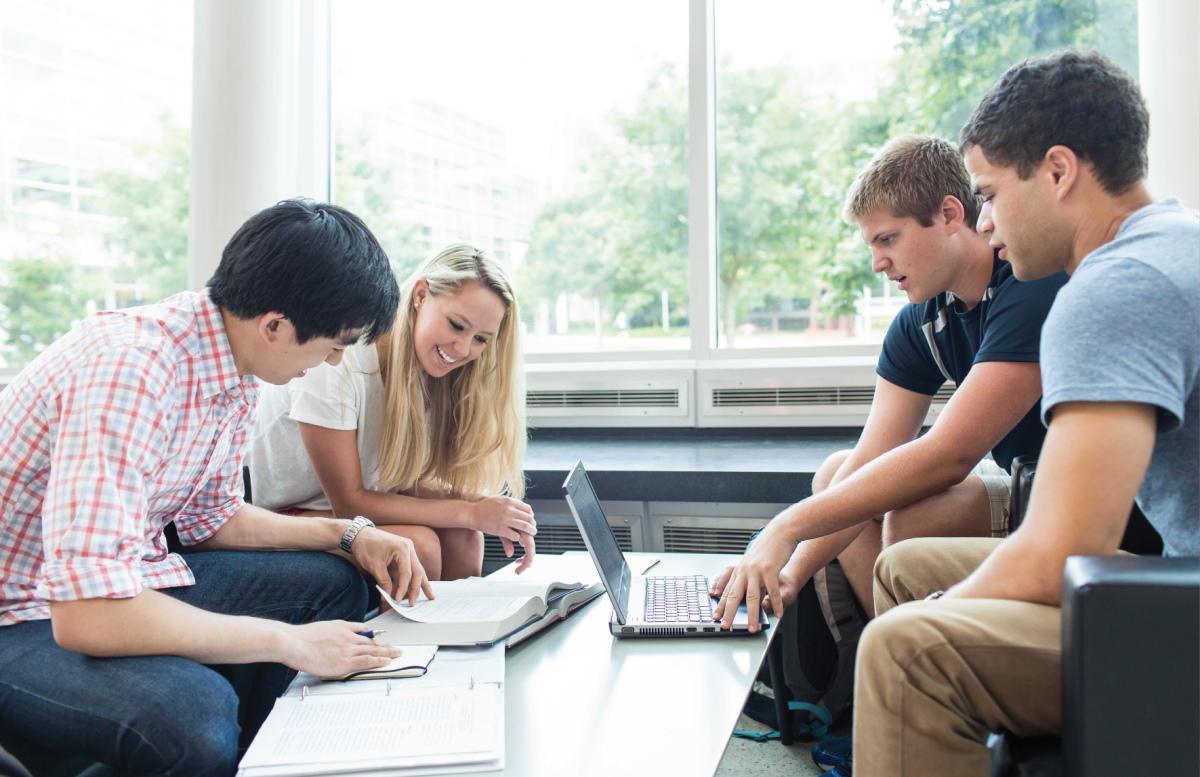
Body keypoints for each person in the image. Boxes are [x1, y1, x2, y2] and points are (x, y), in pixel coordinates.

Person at [852, 49, 1198, 776]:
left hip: (1180, 609)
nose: (982, 218)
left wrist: (945, 608)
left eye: (989, 192)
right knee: (905, 566)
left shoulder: (1114, 288)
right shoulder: (1172, 241)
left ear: (1059, 172)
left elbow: (1057, 554)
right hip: (1171, 573)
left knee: (904, 647)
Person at [0, 199, 434, 776]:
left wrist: (351, 535)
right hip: (25, 610)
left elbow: (212, 521)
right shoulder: (131, 371)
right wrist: (289, 643)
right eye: (333, 345)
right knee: (194, 713)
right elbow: (85, 614)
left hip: (118, 578)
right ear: (275, 325)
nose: (332, 363)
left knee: (333, 581)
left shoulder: (231, 366)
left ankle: (270, 762)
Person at [711, 135, 1067, 631]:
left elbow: (950, 455)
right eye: (872, 245)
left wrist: (785, 527)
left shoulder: (1028, 281)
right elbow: (869, 459)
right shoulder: (921, 320)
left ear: (948, 215)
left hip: (1061, 494)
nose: (878, 263)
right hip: (1016, 479)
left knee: (909, 520)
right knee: (838, 473)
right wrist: (791, 574)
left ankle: (907, 660)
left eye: (888, 239)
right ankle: (888, 654)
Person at [248, 243, 535, 584]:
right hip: (292, 518)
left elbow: (406, 479)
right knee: (420, 545)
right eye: (457, 325)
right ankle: (405, 639)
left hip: (353, 511)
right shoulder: (338, 361)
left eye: (481, 339)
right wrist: (470, 511)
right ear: (421, 295)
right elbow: (348, 503)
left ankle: (464, 634)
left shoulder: (429, 368)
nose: (463, 349)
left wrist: (489, 510)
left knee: (465, 537)